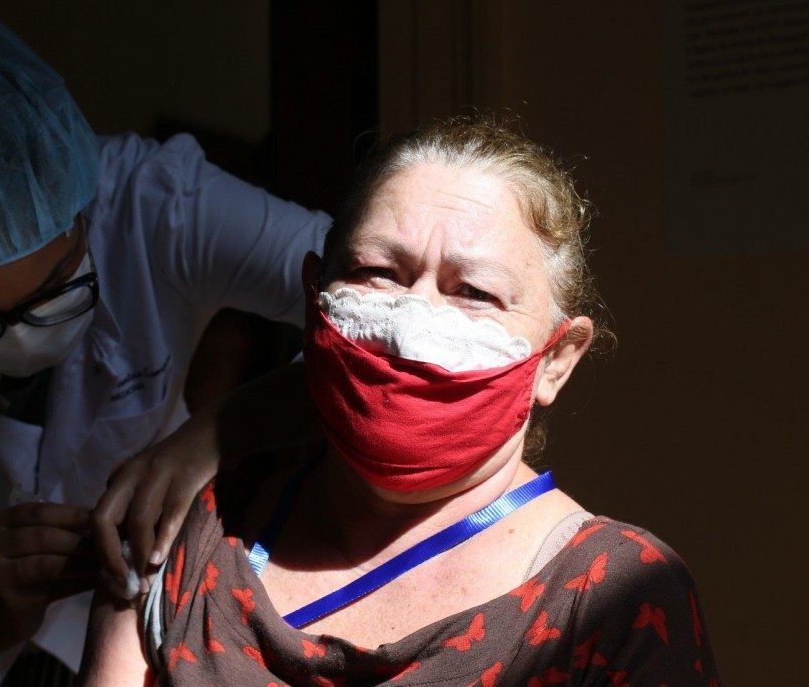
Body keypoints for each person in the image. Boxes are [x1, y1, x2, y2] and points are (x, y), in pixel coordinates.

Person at [0, 4, 330, 686]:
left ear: (82, 213)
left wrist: (216, 433)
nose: (21, 335)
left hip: (127, 633)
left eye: (55, 288)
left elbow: (374, 301)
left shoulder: (157, 205)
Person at [81, 117, 721, 685]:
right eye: (377, 274)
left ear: (556, 359)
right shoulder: (190, 530)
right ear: (313, 299)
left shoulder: (617, 598)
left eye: (473, 291)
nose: (412, 327)